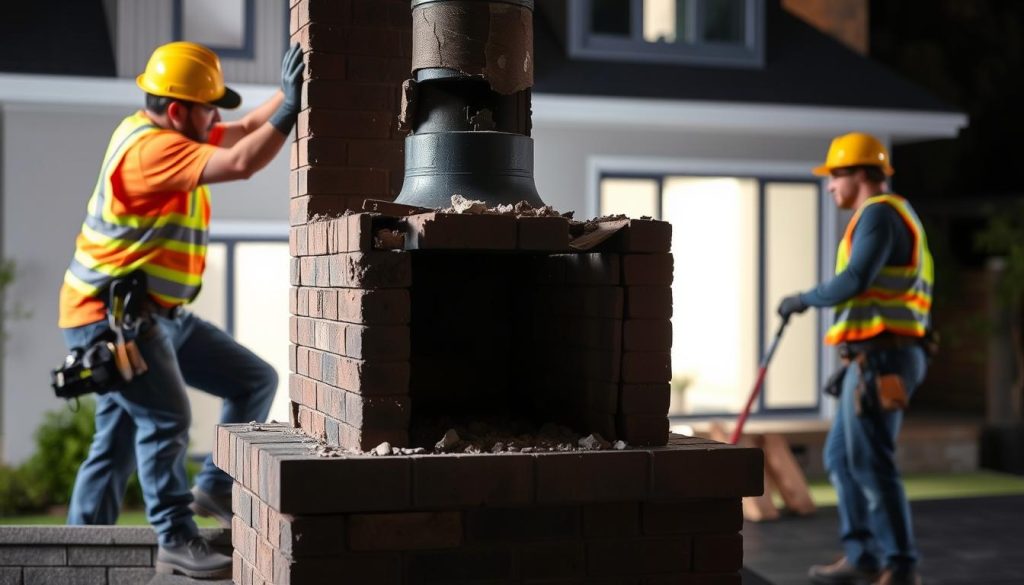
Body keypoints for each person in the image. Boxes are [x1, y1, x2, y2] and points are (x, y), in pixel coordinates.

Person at [57, 41, 304, 579]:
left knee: (250, 381)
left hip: (156, 315)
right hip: (111, 319)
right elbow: (241, 160)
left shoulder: (171, 132)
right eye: (208, 106)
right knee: (166, 417)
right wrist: (288, 109)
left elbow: (237, 134)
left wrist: (287, 97)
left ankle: (88, 545)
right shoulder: (153, 151)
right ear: (177, 111)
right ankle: (174, 536)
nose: (218, 116)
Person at [777, 132, 933, 585]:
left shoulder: (880, 215)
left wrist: (802, 299)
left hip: (884, 361)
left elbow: (856, 279)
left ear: (859, 174)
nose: (829, 186)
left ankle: (901, 565)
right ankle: (862, 555)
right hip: (869, 359)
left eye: (833, 176)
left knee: (870, 461)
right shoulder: (887, 216)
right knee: (843, 458)